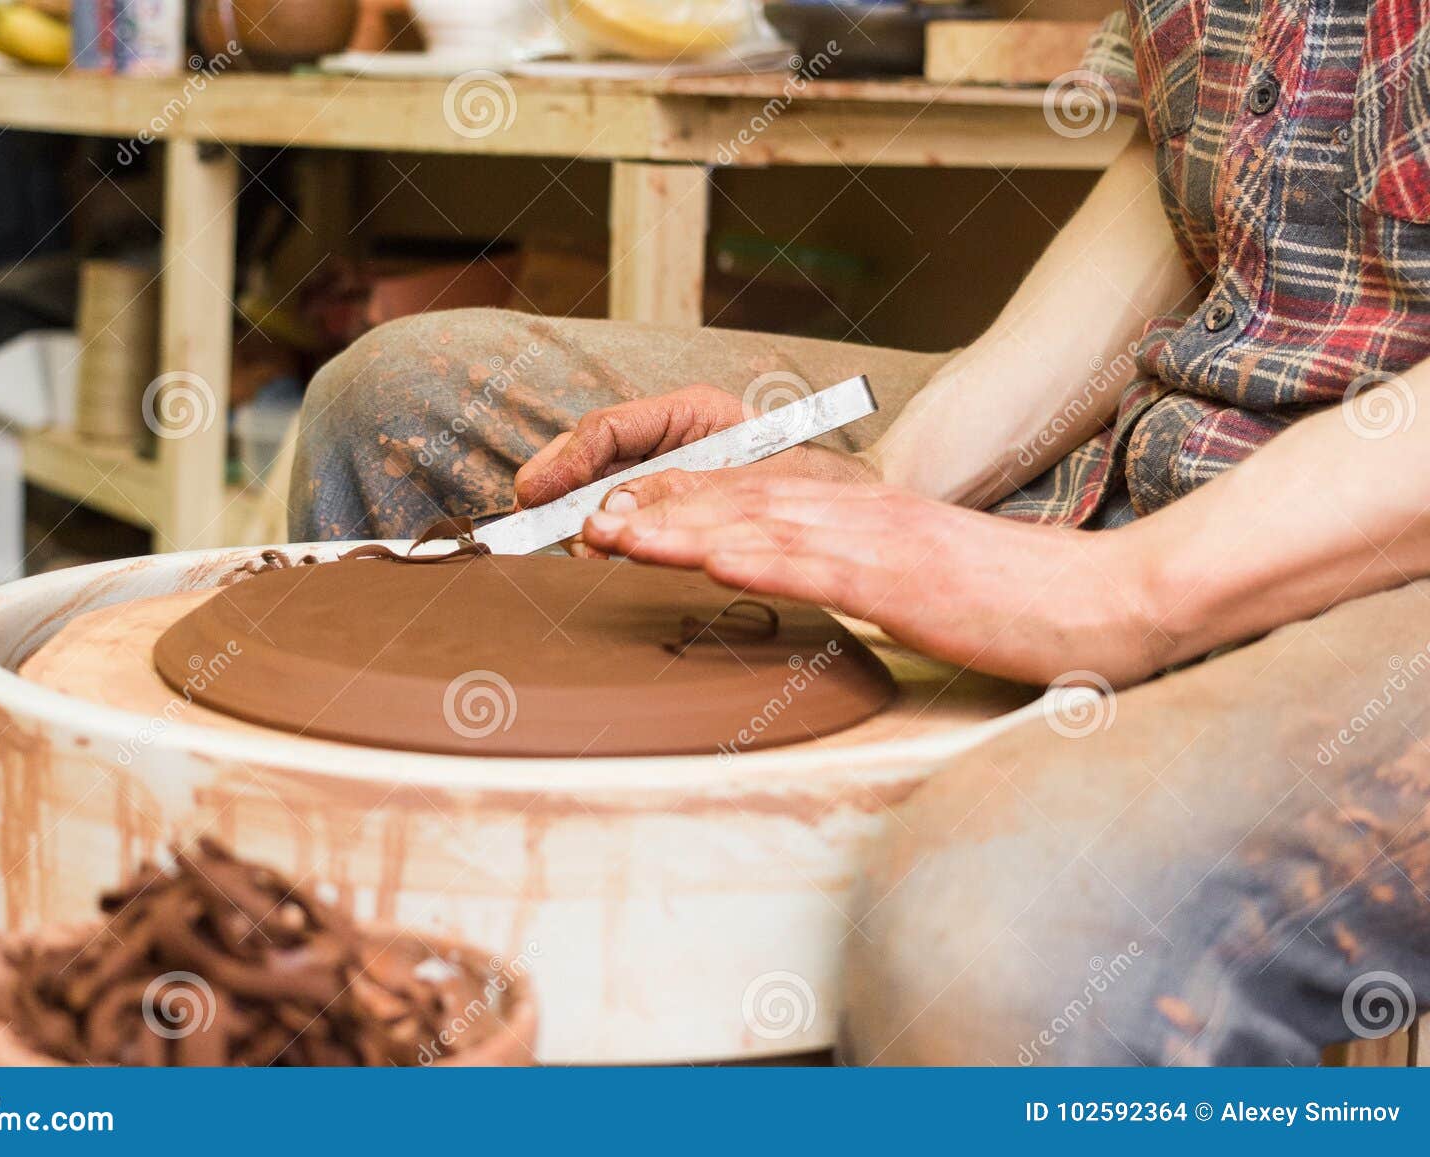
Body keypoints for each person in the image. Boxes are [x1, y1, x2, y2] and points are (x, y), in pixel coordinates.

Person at [291, 4, 1430, 1064]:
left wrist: (1125, 590)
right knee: (407, 402)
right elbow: (1200, 196)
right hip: (1186, 421)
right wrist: (890, 478)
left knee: (988, 933)